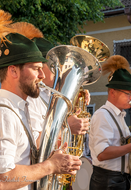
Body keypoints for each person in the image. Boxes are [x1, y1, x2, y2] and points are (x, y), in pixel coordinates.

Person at [0, 10, 81, 190]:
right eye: (36, 68)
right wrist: (50, 166)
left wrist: (56, 156)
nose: (42, 75)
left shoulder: (20, 108)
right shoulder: (3, 112)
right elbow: (4, 180)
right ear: (13, 71)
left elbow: (27, 157)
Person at [10, 21, 90, 148]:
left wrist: (74, 103)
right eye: (54, 66)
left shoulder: (51, 94)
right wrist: (66, 126)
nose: (60, 70)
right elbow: (35, 146)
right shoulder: (30, 97)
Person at [89, 55, 131, 190]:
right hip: (107, 181)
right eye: (127, 94)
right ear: (113, 92)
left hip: (119, 179)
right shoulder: (103, 115)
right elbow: (102, 154)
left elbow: (122, 147)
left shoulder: (119, 116)